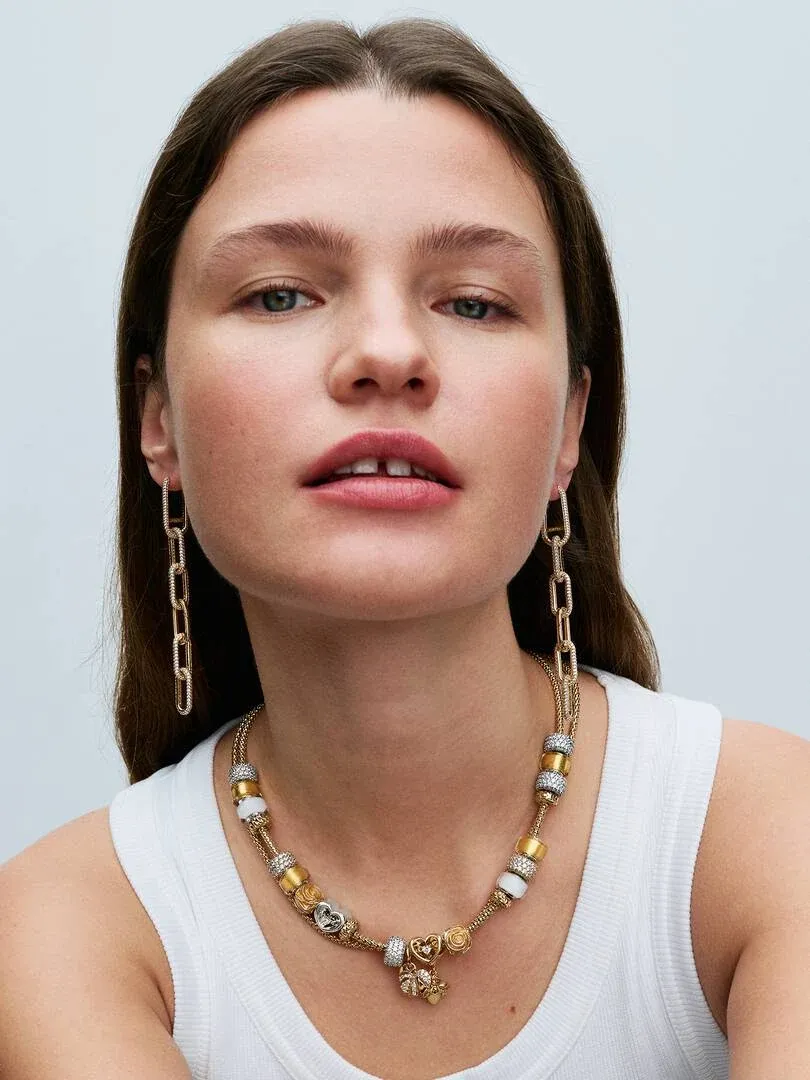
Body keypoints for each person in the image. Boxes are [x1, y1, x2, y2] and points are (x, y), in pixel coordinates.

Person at [1, 15, 808, 1080]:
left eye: (474, 301)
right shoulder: (64, 935)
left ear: (571, 427)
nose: (388, 353)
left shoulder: (766, 834)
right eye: (280, 292)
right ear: (157, 420)